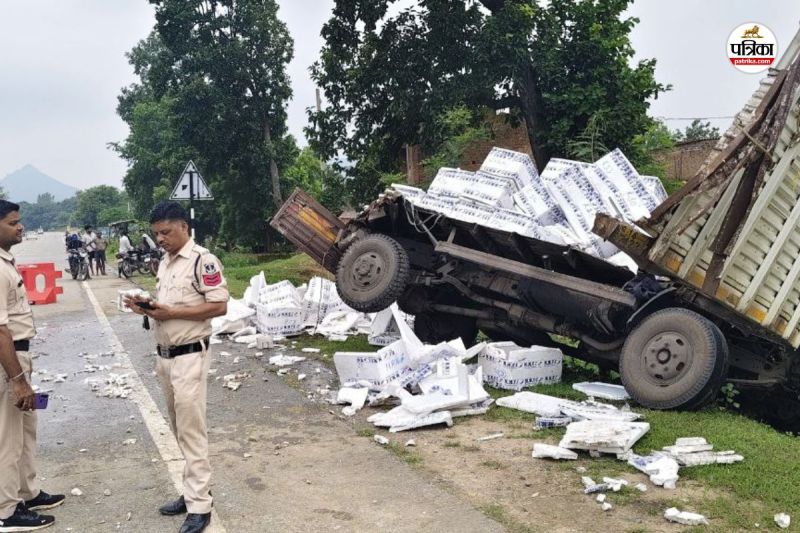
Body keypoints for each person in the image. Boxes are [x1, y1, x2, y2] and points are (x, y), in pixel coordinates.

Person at [125, 201, 228, 533]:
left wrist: (171, 313)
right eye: (156, 234)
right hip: (165, 357)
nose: (161, 239)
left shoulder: (202, 261)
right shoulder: (166, 263)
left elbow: (219, 305)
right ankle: (191, 491)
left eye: (166, 232)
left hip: (189, 356)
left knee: (191, 430)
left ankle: (200, 506)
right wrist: (149, 309)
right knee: (178, 427)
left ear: (184, 226)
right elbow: (168, 307)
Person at [0, 200, 65, 532]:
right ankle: (7, 511)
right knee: (7, 437)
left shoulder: (7, 262)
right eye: (12, 223)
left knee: (26, 430)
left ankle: (28, 491)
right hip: (8, 363)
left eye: (19, 221)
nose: (20, 227)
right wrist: (18, 380)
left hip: (19, 356)